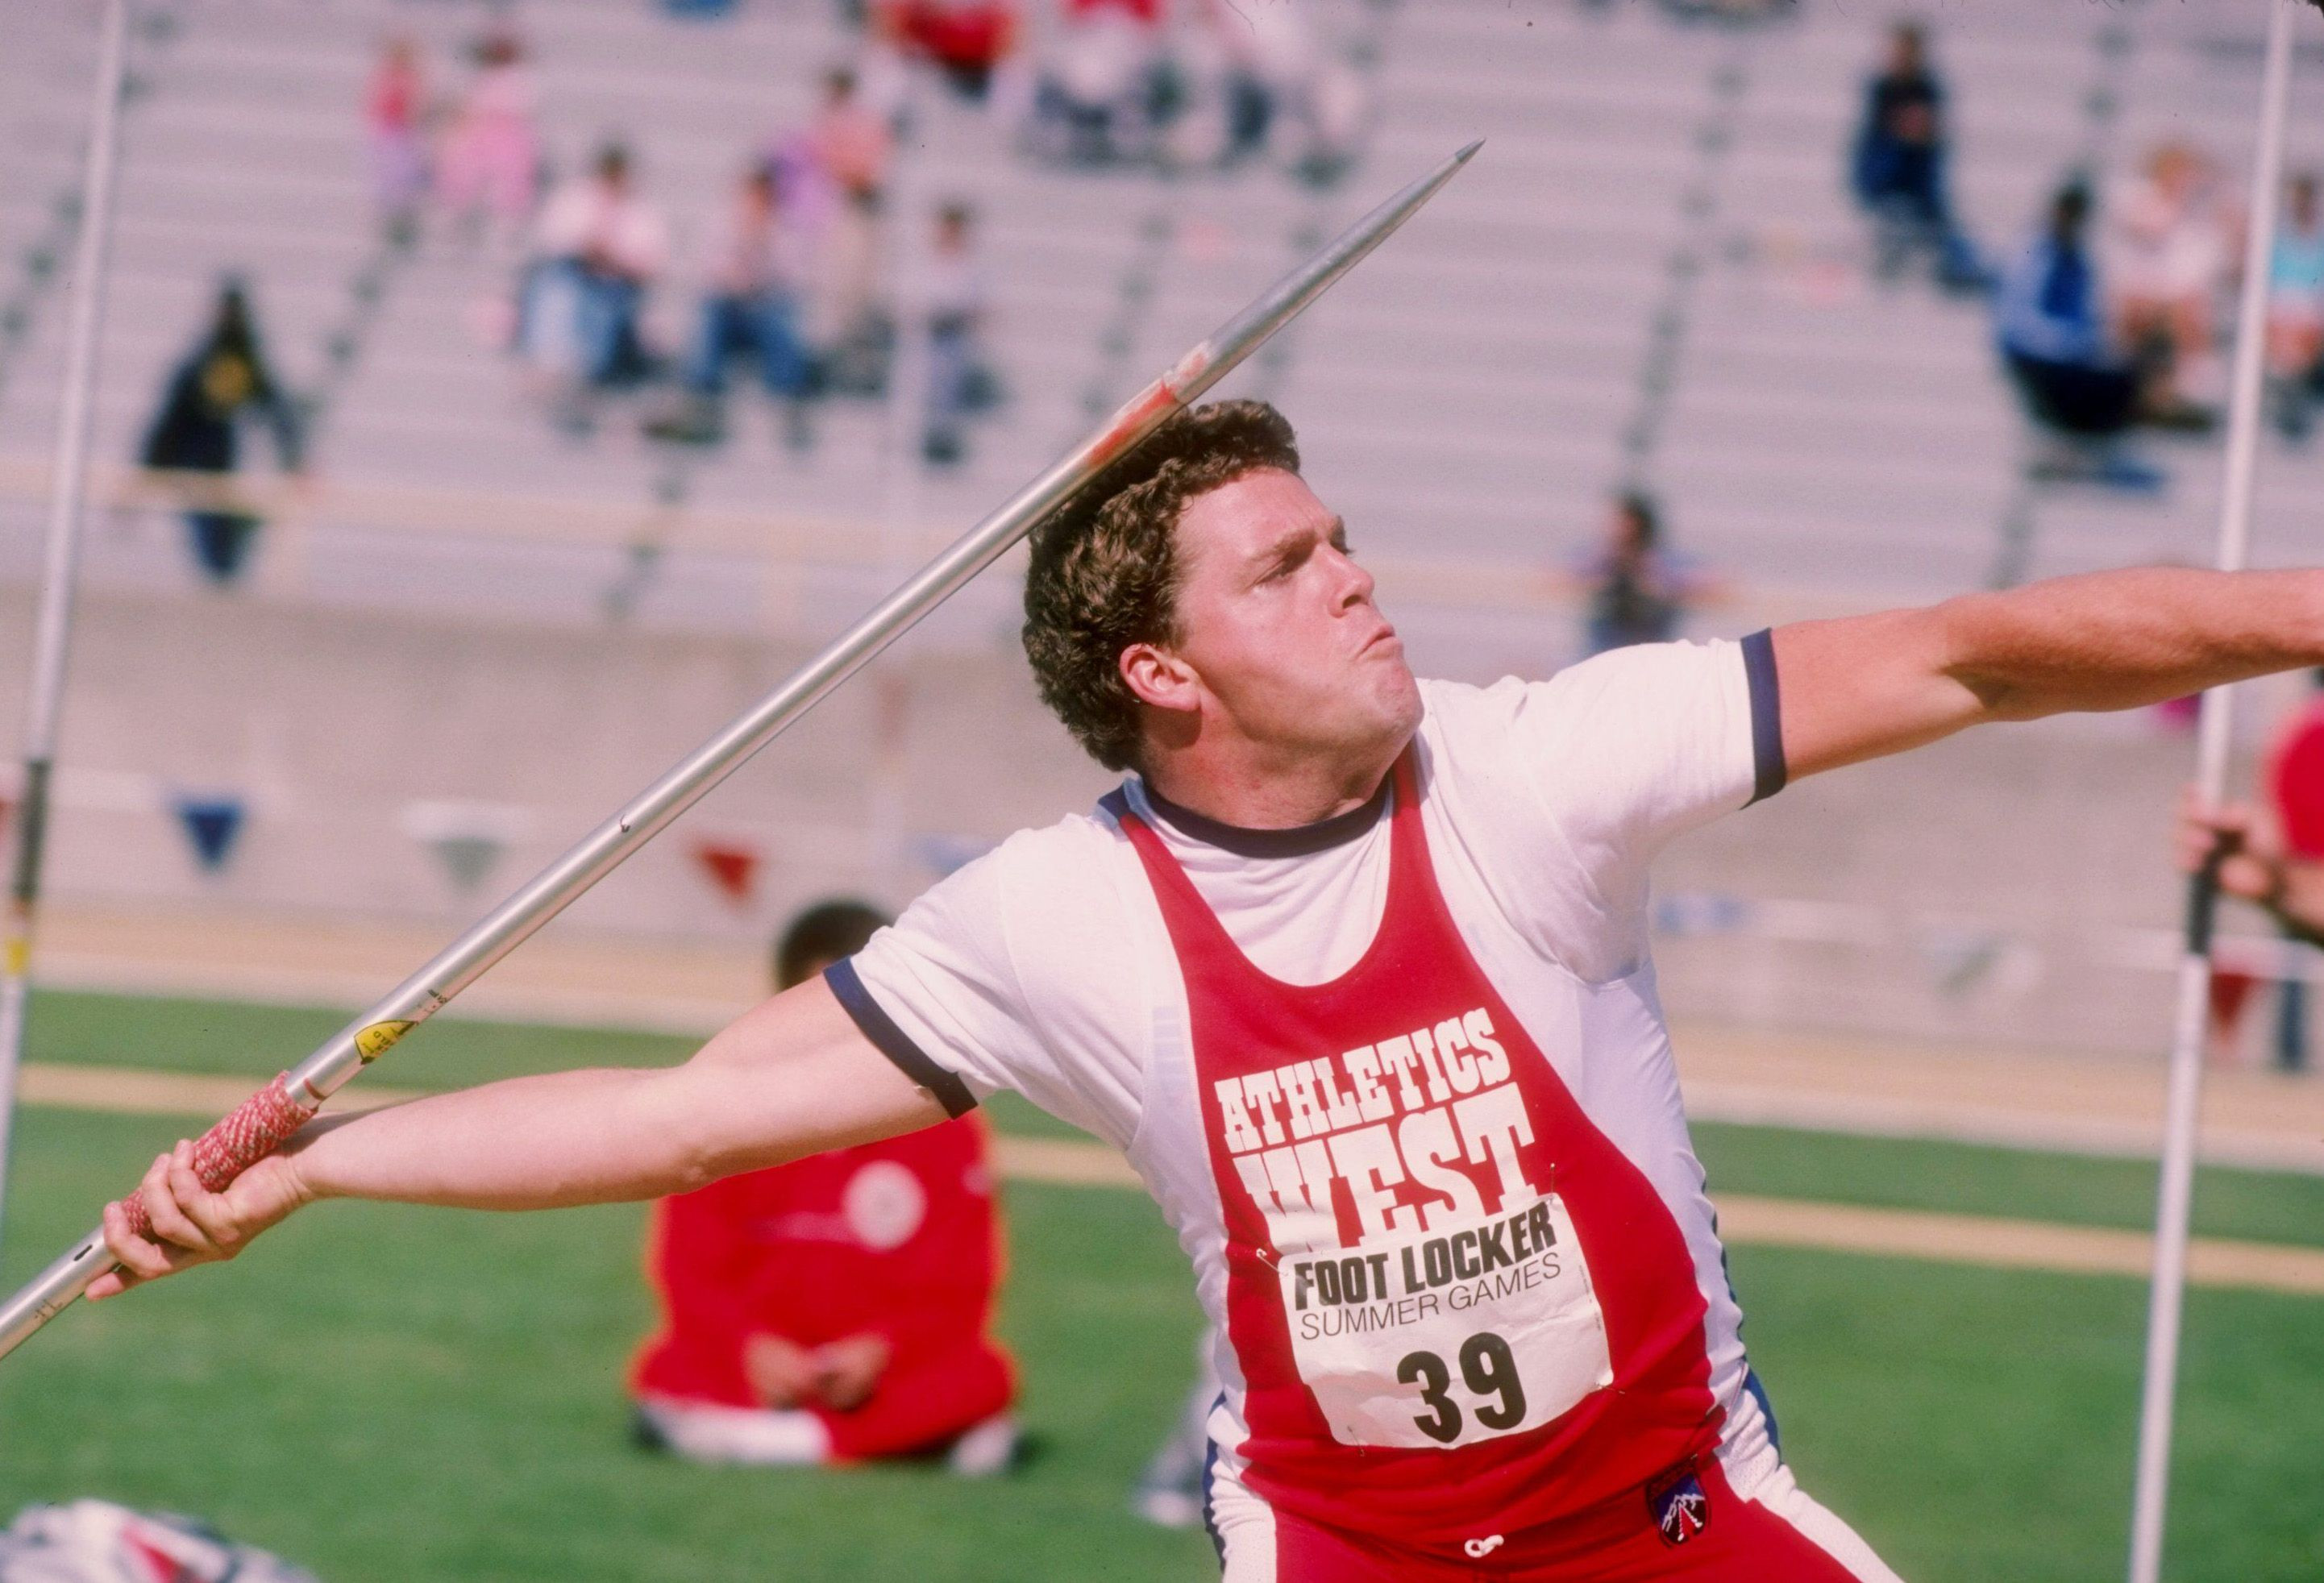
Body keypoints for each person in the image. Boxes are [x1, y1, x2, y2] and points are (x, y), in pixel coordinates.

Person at [102, 397, 2324, 1578]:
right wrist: (325, 1163)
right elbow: (688, 1113)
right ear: (1163, 672)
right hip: (1347, 1562)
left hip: (1677, 1531)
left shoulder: (1533, 768)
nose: (1356, 572)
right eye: (1288, 563)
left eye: (1337, 530)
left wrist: (2297, 602)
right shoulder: (1053, 921)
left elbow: (1969, 646)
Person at [631, 901, 1018, 1471]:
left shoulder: (942, 1125)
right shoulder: (728, 1112)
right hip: (760, 1361)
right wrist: (752, 1347)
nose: (846, 1033)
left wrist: (882, 1348)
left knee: (981, 1379)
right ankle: (879, 1443)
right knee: (666, 1369)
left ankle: (780, 1443)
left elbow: (960, 1286)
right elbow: (690, 1272)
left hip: (881, 1370)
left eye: (865, 1012)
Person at [1994, 181, 2160, 489]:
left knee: (2127, 374)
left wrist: (2095, 344)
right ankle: (2064, 443)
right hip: (2031, 358)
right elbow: (2020, 322)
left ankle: (2084, 448)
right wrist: (2072, 343)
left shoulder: (2080, 262)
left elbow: (2087, 319)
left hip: (2064, 358)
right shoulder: (2033, 255)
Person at [139, 280, 304, 584]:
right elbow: (172, 418)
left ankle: (223, 572)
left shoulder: (247, 361)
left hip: (225, 455)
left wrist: (294, 460)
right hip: (195, 457)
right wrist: (151, 466)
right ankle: (218, 574)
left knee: (223, 535)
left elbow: (277, 412)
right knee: (209, 530)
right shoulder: (201, 362)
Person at [643, 164, 815, 450]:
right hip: (729, 312)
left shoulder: (784, 232)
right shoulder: (721, 226)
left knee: (780, 317)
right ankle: (700, 394)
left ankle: (788, 395)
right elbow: (709, 274)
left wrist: (761, 256)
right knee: (710, 312)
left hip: (764, 313)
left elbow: (791, 280)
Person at [518, 143, 670, 410]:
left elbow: (649, 266)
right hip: (574, 280)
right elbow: (554, 244)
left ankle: (586, 372)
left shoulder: (641, 213)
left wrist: (611, 258)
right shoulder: (574, 201)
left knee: (603, 302)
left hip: (617, 290)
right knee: (556, 288)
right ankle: (553, 363)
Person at [1848, 23, 1983, 293]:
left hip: (1918, 195)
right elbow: (1870, 164)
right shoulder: (1881, 93)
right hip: (1884, 189)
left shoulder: (1929, 93)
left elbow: (1933, 165)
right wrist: (1900, 139)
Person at [2108, 143, 2229, 430]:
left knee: (2188, 311)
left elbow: (2202, 268)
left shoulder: (2200, 217)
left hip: (2177, 299)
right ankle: (2124, 375)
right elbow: (2146, 228)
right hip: (2143, 293)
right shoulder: (2137, 197)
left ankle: (2192, 384)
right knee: (2134, 309)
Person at [434, 29, 539, 246]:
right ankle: (459, 218)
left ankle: (505, 226)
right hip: (480, 136)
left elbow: (521, 110)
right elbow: (468, 109)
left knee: (510, 180)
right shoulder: (479, 78)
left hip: (508, 137)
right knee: (461, 165)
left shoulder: (521, 78)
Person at [917, 202, 996, 466]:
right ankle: (928, 439)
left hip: (955, 336)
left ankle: (944, 443)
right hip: (930, 336)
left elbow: (980, 308)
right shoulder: (928, 261)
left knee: (949, 389)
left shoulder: (971, 265)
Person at [1580, 492, 1691, 657]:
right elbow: (1548, 581)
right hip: (1603, 654)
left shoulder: (1663, 563)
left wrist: (1660, 586)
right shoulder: (1602, 561)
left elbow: (1717, 589)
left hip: (1651, 656)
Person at [2266, 172, 2324, 439]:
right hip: (2280, 301)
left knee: (2304, 329)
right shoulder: (2275, 234)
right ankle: (2287, 383)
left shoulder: (2318, 238)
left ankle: (2290, 383)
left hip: (2310, 303)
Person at [362, 35, 428, 247]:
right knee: (391, 183)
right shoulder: (386, 79)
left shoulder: (412, 80)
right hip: (389, 135)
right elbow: (377, 108)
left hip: (404, 135)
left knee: (405, 184)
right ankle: (393, 229)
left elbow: (417, 110)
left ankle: (403, 227)